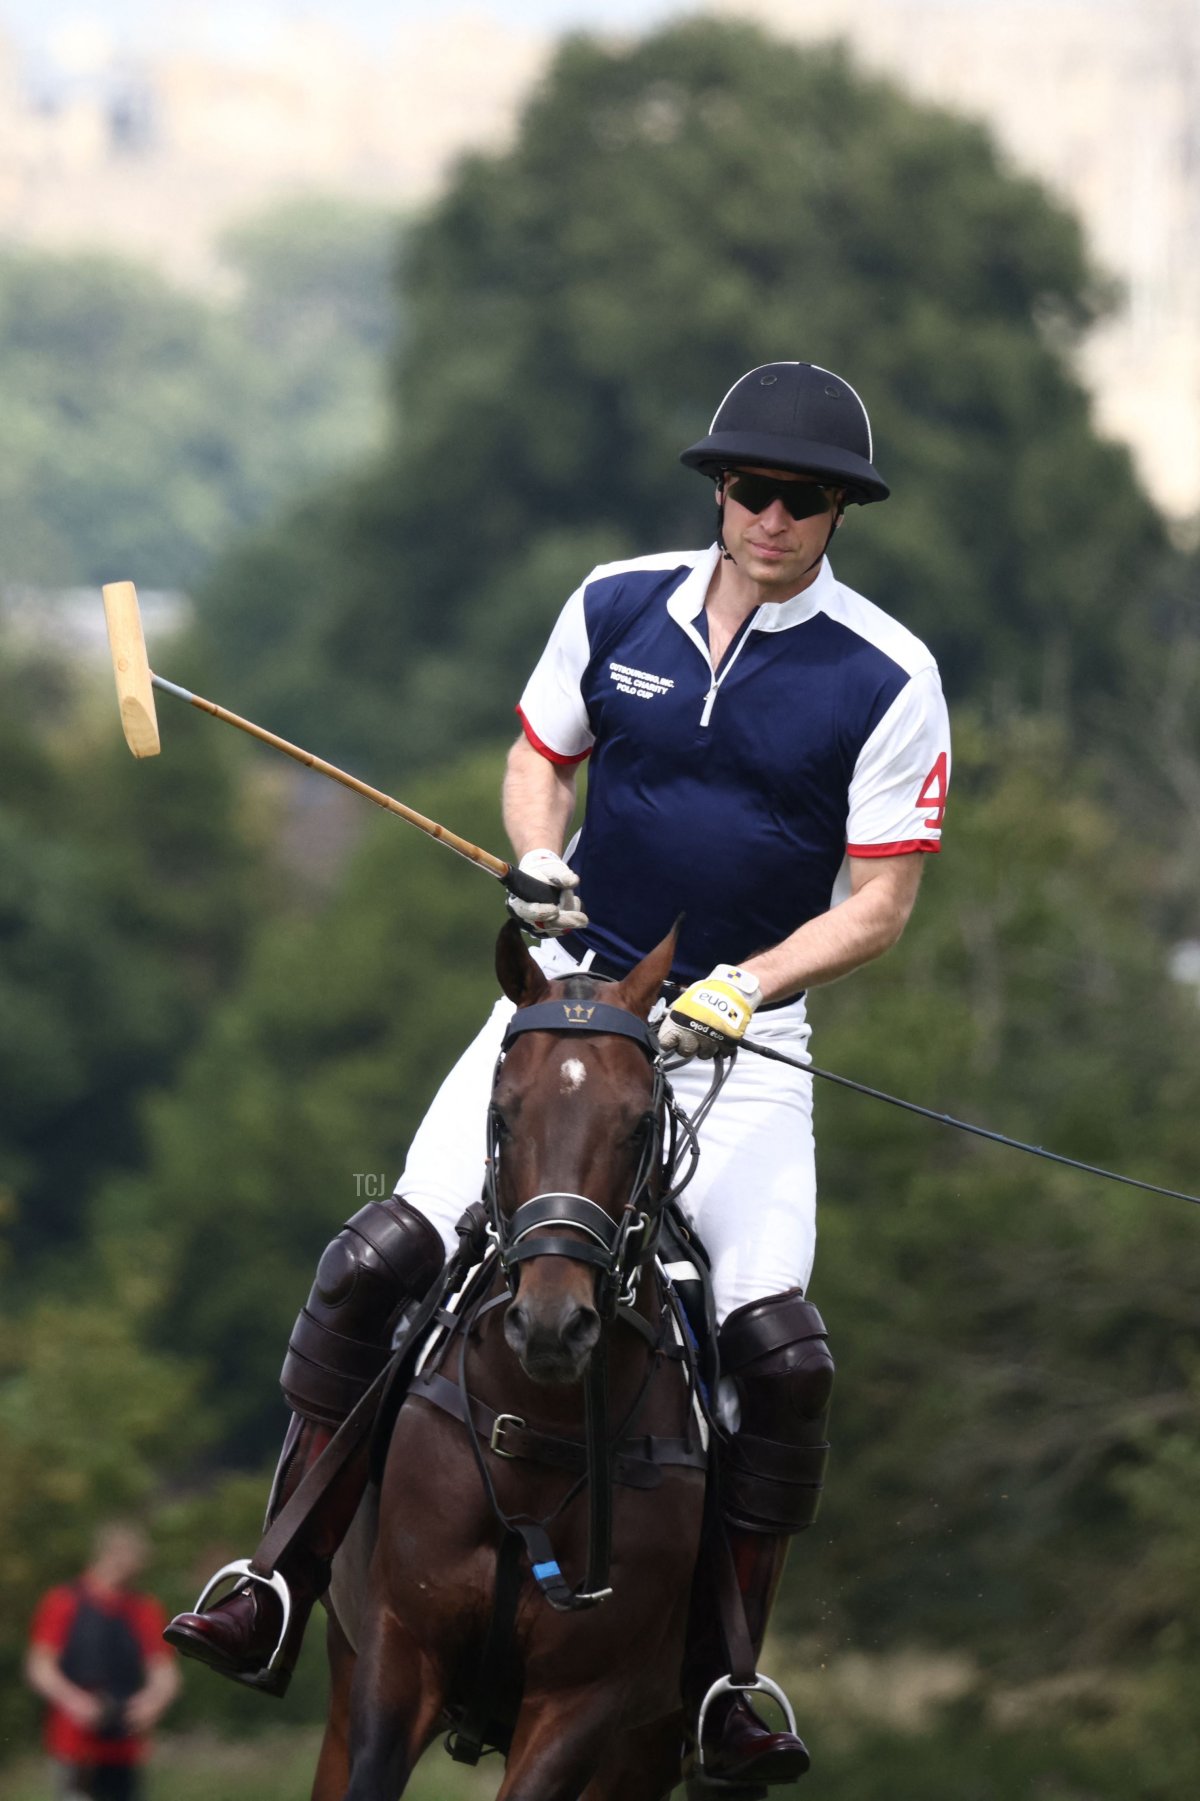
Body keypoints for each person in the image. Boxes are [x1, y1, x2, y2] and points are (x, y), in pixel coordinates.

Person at [166, 360, 950, 1787]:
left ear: (843, 513)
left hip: (741, 1048)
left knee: (780, 1355)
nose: (774, 517)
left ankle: (724, 1678)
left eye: (808, 500)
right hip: (570, 1019)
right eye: (753, 490)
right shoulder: (613, 602)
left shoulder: (887, 674)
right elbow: (542, 762)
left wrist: (750, 982)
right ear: (720, 489)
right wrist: (538, 857)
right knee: (372, 1256)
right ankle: (274, 1573)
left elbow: (881, 902)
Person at [27, 1522, 180, 1801]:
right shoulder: (63, 1602)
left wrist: (151, 1703)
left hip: (125, 1745)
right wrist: (75, 1701)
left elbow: (165, 1672)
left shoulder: (144, 1609)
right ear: (111, 1555)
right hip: (75, 1744)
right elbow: (40, 1666)